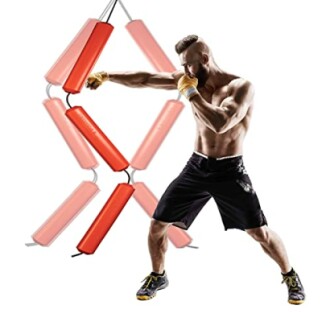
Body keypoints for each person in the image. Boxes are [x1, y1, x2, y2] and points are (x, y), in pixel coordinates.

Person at [86, 35, 305, 305]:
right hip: (197, 166)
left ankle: (290, 275)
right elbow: (145, 78)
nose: (186, 71)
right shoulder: (190, 79)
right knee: (157, 225)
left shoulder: (240, 87)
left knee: (259, 232)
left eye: (189, 65)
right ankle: (159, 275)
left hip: (230, 170)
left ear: (204, 59)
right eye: (183, 66)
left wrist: (190, 93)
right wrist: (107, 75)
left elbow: (221, 123)